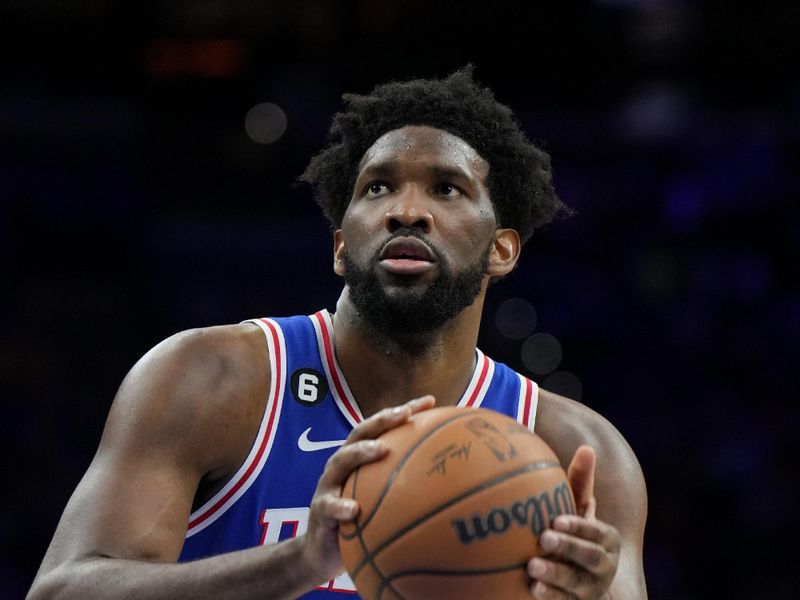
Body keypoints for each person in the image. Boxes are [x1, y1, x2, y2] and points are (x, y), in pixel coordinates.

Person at [28, 67, 647, 599]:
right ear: (341, 244)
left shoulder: (576, 453)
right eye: (377, 186)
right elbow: (62, 590)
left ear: (503, 249)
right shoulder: (213, 379)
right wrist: (298, 563)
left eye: (447, 189)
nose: (406, 210)